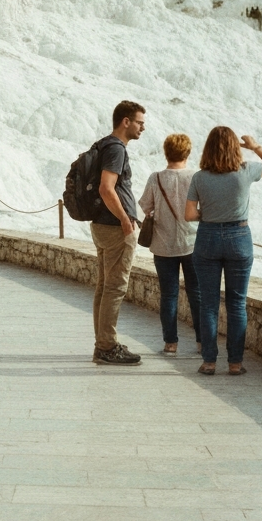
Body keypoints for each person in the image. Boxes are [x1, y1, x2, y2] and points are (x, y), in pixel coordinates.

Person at [184, 127, 262, 376]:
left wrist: (211, 215)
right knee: (237, 303)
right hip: (239, 237)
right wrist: (254, 145)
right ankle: (235, 363)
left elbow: (189, 214)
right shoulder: (245, 171)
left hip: (207, 238)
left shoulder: (199, 177)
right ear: (235, 148)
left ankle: (209, 362)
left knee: (208, 304)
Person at [89, 100, 146, 365]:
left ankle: (103, 343)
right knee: (114, 287)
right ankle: (107, 346)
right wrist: (125, 219)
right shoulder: (116, 149)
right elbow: (106, 188)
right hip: (114, 227)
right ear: (126, 121)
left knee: (103, 287)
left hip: (101, 224)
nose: (142, 128)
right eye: (139, 122)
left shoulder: (103, 144)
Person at [138, 134, 202, 355]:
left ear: (166, 152)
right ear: (187, 152)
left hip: (163, 245)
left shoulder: (155, 178)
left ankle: (170, 343)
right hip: (193, 244)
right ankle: (202, 341)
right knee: (197, 293)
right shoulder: (196, 177)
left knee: (168, 294)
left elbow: (146, 206)